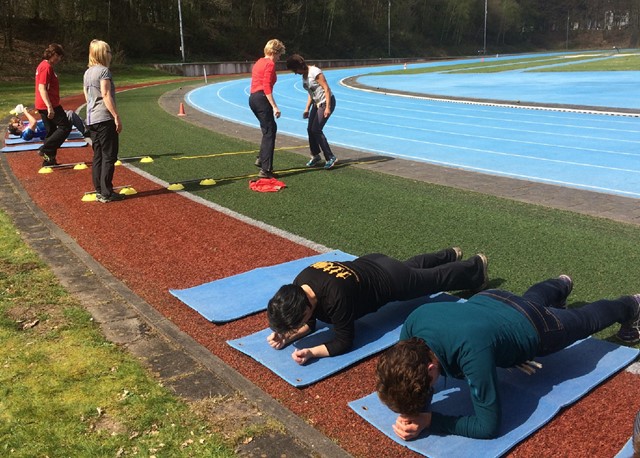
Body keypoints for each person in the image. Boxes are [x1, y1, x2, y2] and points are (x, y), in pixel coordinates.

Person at [376, 276, 640, 441]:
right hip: (494, 301)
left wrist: (431, 420)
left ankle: (630, 305)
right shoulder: (413, 326)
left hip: (537, 327)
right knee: (530, 300)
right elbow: (412, 373)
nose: (431, 393)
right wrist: (414, 408)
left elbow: (487, 426)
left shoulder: (471, 351)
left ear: (432, 368)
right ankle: (560, 284)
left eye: (430, 388)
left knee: (585, 320)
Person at [267, 247, 488, 365]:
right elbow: (311, 322)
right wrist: (287, 335)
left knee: (433, 280)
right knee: (413, 270)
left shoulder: (335, 299)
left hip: (390, 280)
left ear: (305, 311)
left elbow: (344, 341)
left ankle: (475, 268)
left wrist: (312, 352)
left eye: (298, 322)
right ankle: (449, 254)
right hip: (373, 262)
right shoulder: (300, 283)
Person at [83, 39, 123, 203]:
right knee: (109, 155)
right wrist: (115, 116)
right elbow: (106, 95)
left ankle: (99, 189)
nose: (110, 54)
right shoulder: (104, 71)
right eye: (108, 51)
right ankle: (107, 191)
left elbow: (87, 96)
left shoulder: (87, 73)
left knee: (98, 155)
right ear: (102, 54)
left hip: (92, 118)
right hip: (104, 117)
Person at [285, 54, 338, 170]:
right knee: (310, 129)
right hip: (316, 103)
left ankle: (330, 157)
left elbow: (326, 89)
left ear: (300, 65)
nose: (295, 72)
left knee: (316, 129)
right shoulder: (304, 76)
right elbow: (311, 93)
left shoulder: (315, 72)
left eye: (295, 69)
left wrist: (328, 107)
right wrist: (306, 108)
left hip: (326, 102)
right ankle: (315, 155)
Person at [249, 39, 286, 179]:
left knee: (269, 129)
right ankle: (265, 169)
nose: (279, 58)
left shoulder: (259, 62)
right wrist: (274, 106)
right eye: (279, 54)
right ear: (273, 52)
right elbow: (266, 87)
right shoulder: (269, 64)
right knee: (269, 132)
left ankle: (261, 158)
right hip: (261, 99)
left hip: (253, 98)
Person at [35, 43, 72, 167]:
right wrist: (50, 107)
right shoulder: (46, 67)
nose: (59, 59)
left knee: (51, 131)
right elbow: (42, 88)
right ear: (54, 54)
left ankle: (49, 160)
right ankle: (45, 148)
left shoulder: (44, 66)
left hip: (44, 104)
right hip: (49, 104)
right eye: (58, 56)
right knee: (65, 126)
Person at [7, 105, 89, 143]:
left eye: (18, 121)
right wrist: (25, 113)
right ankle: (86, 131)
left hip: (54, 125)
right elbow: (34, 122)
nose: (20, 122)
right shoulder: (26, 135)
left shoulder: (26, 128)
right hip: (56, 132)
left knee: (68, 114)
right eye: (18, 125)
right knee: (70, 114)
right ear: (18, 131)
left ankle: (86, 127)